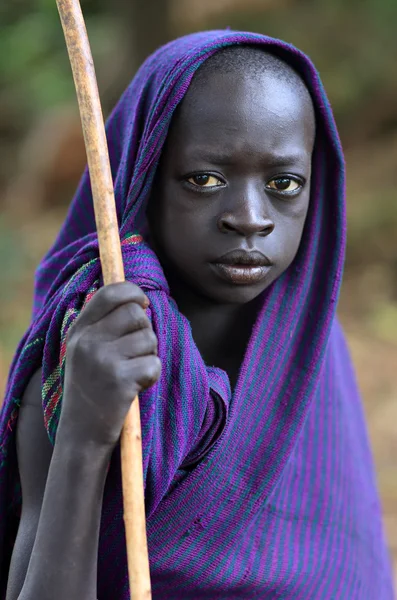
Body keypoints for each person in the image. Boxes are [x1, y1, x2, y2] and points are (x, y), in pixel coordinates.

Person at [0, 30, 394, 599]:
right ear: (142, 181)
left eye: (284, 184)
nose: (249, 217)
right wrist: (84, 439)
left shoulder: (308, 344)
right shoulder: (84, 360)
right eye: (204, 180)